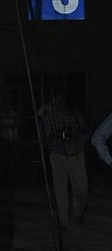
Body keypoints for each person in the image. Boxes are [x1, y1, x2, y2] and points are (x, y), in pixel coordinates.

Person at [37, 90, 89, 226]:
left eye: (60, 100)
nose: (58, 103)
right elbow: (43, 138)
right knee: (60, 190)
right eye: (55, 100)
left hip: (77, 156)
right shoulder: (48, 119)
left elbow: (85, 133)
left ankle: (78, 212)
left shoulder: (76, 116)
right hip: (58, 156)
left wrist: (75, 137)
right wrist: (56, 137)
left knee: (82, 189)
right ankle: (63, 220)